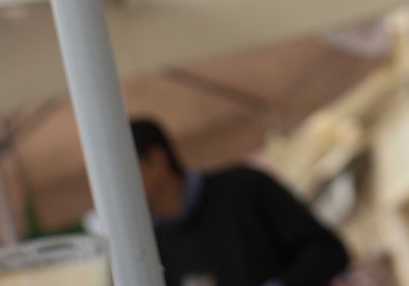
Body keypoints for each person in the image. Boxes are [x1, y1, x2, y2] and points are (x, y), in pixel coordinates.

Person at [130, 118, 350, 286]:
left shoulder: (245, 187)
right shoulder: (151, 247)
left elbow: (329, 251)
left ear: (157, 161)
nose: (122, 193)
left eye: (126, 174)